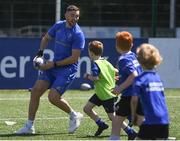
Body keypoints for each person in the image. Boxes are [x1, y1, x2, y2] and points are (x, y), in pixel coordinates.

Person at [15, 5, 85, 134]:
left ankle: (74, 115)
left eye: (77, 16)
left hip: (67, 69)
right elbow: (46, 38)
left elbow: (74, 59)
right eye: (72, 15)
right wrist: (40, 53)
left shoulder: (78, 34)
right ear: (65, 15)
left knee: (53, 97)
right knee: (36, 91)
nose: (74, 18)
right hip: (54, 65)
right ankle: (29, 126)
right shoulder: (58, 25)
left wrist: (53, 64)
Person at [83, 40, 137, 138]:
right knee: (87, 108)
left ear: (91, 53)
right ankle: (101, 124)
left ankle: (130, 132)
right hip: (101, 93)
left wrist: (87, 76)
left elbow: (96, 77)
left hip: (106, 94)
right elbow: (116, 71)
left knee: (113, 117)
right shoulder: (105, 61)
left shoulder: (96, 64)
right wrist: (113, 77)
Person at [109, 31, 144, 140]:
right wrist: (121, 78)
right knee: (141, 121)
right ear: (132, 44)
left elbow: (133, 75)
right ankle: (160, 136)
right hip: (140, 93)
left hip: (129, 95)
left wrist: (120, 88)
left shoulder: (124, 59)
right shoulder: (133, 55)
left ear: (116, 46)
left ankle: (114, 138)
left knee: (116, 121)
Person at [132, 43, 169, 139]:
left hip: (150, 121)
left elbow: (134, 100)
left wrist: (133, 115)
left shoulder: (139, 79)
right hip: (164, 120)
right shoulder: (157, 78)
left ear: (139, 60)